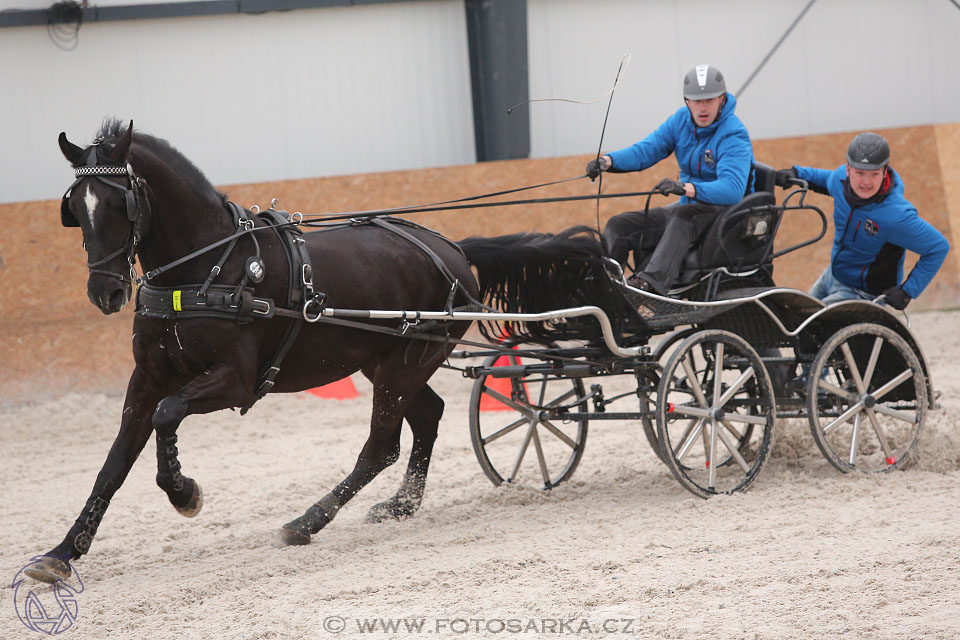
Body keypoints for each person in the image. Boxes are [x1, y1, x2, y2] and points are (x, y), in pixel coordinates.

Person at [587, 64, 754, 294]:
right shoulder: (680, 121)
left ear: (722, 99)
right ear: (687, 101)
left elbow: (732, 189)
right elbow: (647, 150)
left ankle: (650, 285)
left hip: (722, 213)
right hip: (686, 205)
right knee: (619, 225)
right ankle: (605, 288)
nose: (702, 108)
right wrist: (608, 161)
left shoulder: (733, 134)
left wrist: (686, 188)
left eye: (709, 100)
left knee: (682, 216)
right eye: (696, 101)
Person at [774, 132, 950, 310]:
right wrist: (795, 173)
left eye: (874, 174)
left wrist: (907, 292)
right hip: (834, 275)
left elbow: (938, 247)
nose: (866, 182)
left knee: (810, 325)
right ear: (848, 169)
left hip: (865, 293)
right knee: (797, 317)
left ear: (884, 172)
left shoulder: (896, 215)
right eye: (860, 173)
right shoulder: (841, 180)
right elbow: (825, 179)